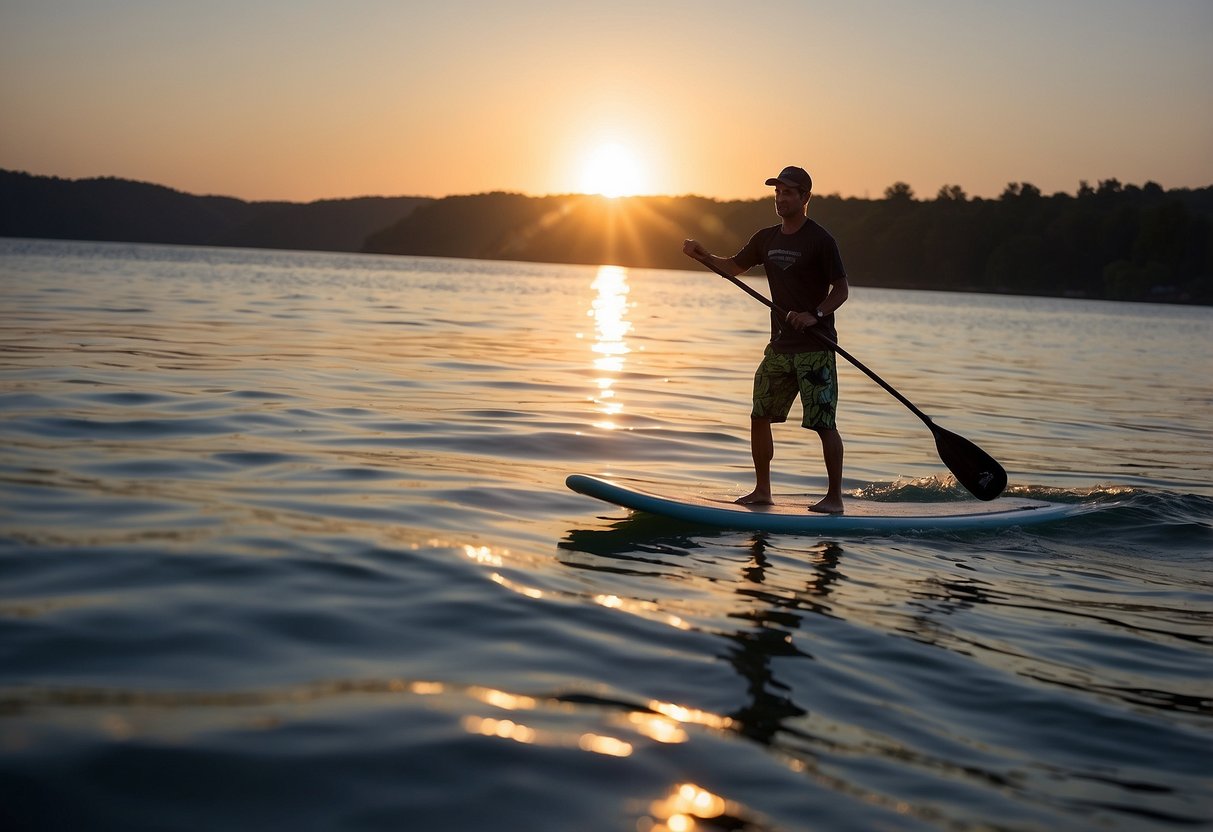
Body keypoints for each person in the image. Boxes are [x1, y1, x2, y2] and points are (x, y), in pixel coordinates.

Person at [683, 165, 849, 513]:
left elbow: (841, 290)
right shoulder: (766, 238)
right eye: (777, 192)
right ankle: (763, 491)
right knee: (759, 415)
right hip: (780, 347)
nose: (780, 197)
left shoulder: (821, 240)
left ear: (805, 198)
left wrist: (814, 315)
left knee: (822, 422)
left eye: (788, 192)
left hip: (815, 348)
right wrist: (704, 257)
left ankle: (834, 498)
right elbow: (732, 267)